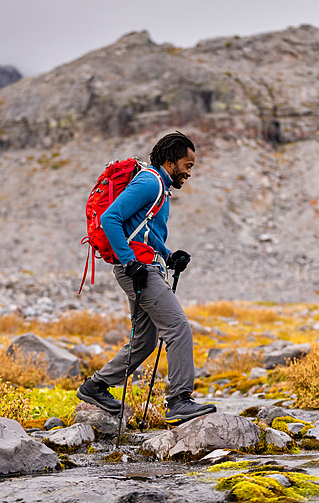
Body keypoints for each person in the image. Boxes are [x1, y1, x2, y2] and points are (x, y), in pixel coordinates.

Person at [76, 131, 217, 426]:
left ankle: (96, 386)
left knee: (145, 339)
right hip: (139, 270)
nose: (190, 172)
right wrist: (130, 263)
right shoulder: (150, 181)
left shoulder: (159, 187)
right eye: (187, 165)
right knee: (178, 327)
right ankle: (179, 400)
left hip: (144, 266)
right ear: (169, 160)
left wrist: (168, 255)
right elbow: (110, 219)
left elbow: (144, 230)